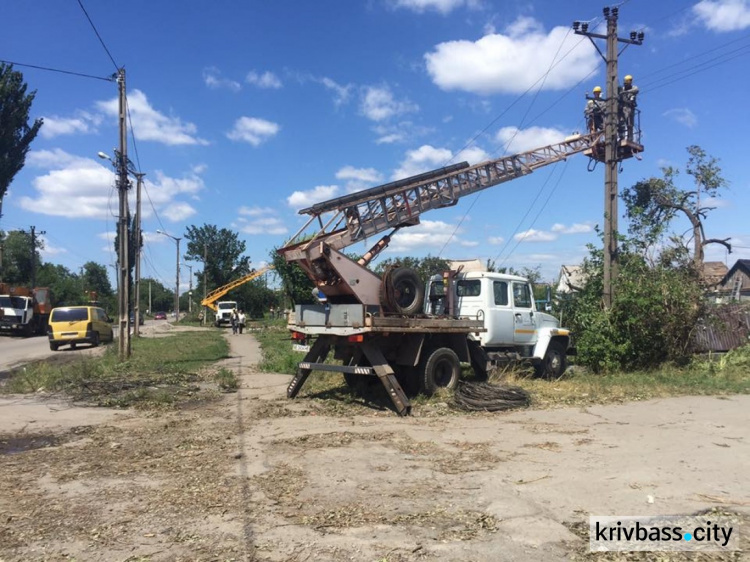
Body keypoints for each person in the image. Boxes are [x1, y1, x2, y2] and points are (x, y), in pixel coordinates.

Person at [619, 74, 639, 141]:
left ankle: (630, 138)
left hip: (630, 107)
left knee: (629, 123)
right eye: (626, 83)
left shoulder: (633, 88)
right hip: (623, 108)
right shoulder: (622, 89)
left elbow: (636, 90)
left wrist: (626, 92)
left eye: (628, 82)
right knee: (621, 122)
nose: (626, 84)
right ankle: (622, 137)